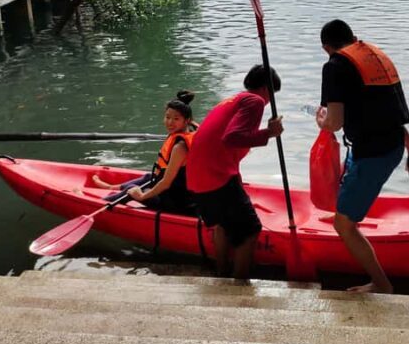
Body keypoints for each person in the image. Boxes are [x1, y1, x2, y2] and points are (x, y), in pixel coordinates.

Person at [316, 19, 409, 294]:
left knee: (344, 225)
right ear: (352, 37)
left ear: (327, 47)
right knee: (342, 191)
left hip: (372, 155)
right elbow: (390, 110)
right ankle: (350, 212)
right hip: (390, 146)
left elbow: (335, 122)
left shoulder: (335, 65)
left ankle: (381, 284)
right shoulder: (374, 55)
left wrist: (322, 121)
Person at [187, 65, 284, 279]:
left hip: (196, 179)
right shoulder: (254, 101)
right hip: (215, 178)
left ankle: (221, 273)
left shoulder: (231, 101)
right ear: (266, 90)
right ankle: (240, 282)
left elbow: (225, 147)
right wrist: (269, 132)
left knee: (222, 225)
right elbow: (232, 138)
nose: (269, 102)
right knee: (250, 230)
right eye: (272, 96)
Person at [93, 90, 198, 213]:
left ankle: (100, 204)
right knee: (150, 177)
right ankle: (111, 187)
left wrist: (141, 196)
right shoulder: (192, 129)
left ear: (187, 120)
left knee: (132, 189)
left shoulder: (180, 147)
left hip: (177, 203)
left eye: (176, 119)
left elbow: (166, 183)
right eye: (167, 117)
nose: (170, 122)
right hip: (184, 194)